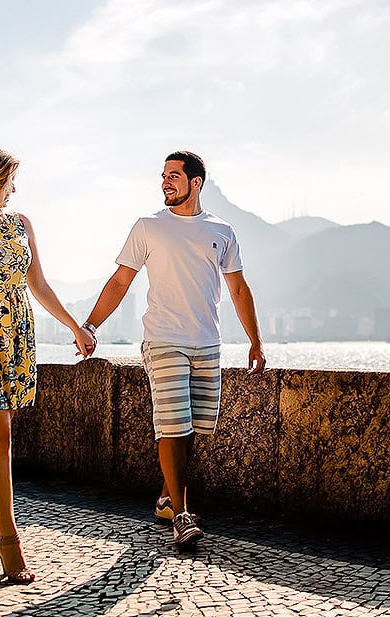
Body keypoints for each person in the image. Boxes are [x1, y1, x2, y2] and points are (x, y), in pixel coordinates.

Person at [83, 150, 266, 548]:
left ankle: (168, 497)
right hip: (163, 339)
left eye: (174, 176)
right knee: (173, 426)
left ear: (195, 183)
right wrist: (91, 324)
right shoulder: (148, 227)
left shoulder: (223, 231)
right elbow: (119, 282)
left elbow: (237, 288)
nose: (165, 182)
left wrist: (256, 340)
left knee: (196, 429)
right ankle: (182, 515)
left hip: (207, 343)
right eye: (163, 175)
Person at [0, 146, 96, 583]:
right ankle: (9, 543)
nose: (14, 190)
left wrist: (74, 327)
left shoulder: (22, 224)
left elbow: (38, 283)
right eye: (9, 181)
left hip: (14, 336)